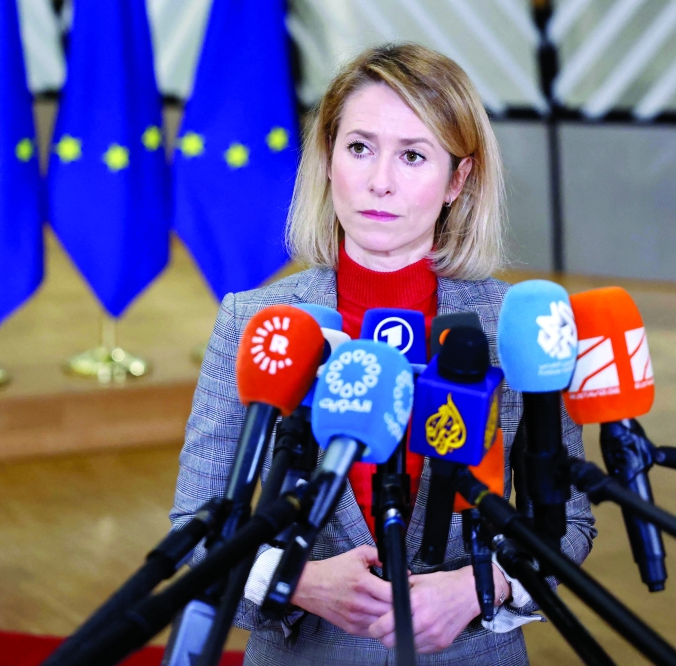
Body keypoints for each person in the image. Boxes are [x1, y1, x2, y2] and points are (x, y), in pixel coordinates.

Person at [170, 43, 596, 665]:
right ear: (328, 158)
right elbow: (192, 537)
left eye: (414, 156)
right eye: (360, 147)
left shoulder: (516, 326)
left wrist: (481, 587)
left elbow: (569, 527)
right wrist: (300, 581)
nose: (379, 181)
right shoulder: (255, 321)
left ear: (458, 180)